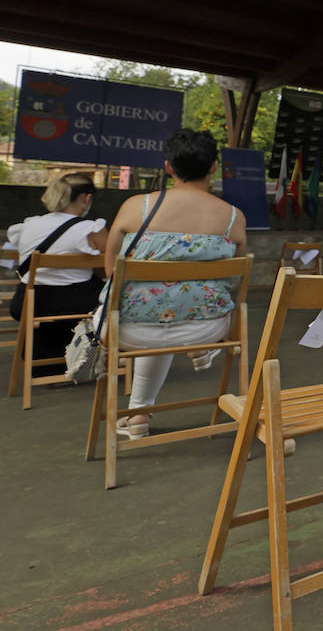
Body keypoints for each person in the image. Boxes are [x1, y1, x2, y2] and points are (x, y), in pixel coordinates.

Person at [103, 129, 246, 438]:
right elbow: (232, 273)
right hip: (206, 328)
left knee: (156, 312)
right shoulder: (234, 217)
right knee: (170, 310)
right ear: (213, 167)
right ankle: (141, 411)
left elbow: (111, 267)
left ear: (168, 167)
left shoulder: (136, 206)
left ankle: (138, 415)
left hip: (129, 329)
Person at [6, 173, 108, 374]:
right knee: (110, 298)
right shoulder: (91, 229)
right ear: (86, 198)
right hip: (77, 304)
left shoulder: (28, 225)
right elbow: (109, 268)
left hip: (28, 303)